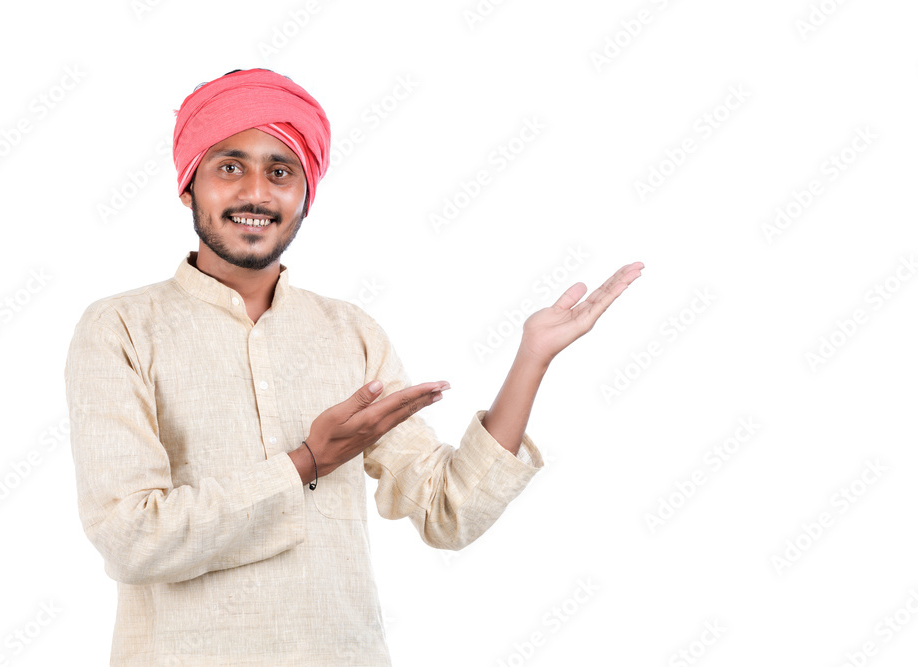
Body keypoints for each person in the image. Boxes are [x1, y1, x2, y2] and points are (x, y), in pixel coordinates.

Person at [64, 67, 644, 666]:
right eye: (229, 167)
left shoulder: (350, 333)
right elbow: (131, 539)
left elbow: (449, 513)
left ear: (305, 195)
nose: (256, 193)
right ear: (188, 185)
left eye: (281, 171)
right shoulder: (121, 328)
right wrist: (306, 463)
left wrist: (532, 360)